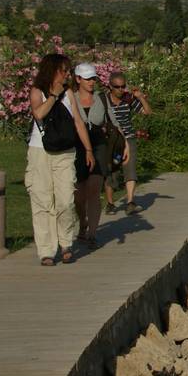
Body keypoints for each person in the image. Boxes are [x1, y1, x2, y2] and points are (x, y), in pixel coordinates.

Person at [26, 53, 92, 266]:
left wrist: (88, 149)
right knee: (42, 201)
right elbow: (38, 114)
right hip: (40, 151)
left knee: (65, 199)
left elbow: (78, 122)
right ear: (52, 70)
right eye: (64, 71)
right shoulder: (37, 91)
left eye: (68, 71)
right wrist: (53, 96)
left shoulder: (69, 93)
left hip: (65, 152)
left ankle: (66, 243)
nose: (67, 75)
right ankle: (46, 250)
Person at [70, 63, 114, 250]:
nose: (91, 82)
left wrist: (126, 143)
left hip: (98, 145)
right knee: (79, 193)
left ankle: (92, 234)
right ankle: (83, 221)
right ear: (78, 79)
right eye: (87, 79)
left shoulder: (101, 98)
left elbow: (113, 121)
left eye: (93, 78)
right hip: (77, 146)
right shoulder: (70, 98)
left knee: (94, 190)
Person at [103, 70, 149, 216]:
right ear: (110, 86)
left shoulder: (128, 99)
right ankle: (110, 203)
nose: (121, 90)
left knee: (130, 169)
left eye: (123, 86)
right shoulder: (104, 100)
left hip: (128, 137)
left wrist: (140, 98)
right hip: (112, 141)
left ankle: (130, 202)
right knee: (112, 171)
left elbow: (147, 112)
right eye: (117, 87)